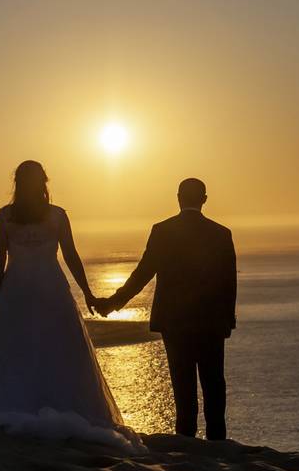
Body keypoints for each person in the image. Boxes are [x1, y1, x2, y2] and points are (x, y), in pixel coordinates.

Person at [0, 160, 142, 450]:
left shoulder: (6, 216)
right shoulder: (56, 216)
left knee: (14, 349)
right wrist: (88, 292)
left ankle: (14, 400)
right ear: (43, 183)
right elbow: (70, 256)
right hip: (51, 288)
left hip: (18, 289)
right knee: (58, 348)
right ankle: (60, 404)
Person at [96, 178, 236, 440]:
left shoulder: (163, 231)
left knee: (182, 387)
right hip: (210, 323)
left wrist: (112, 304)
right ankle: (218, 444)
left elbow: (142, 274)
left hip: (175, 322)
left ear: (178, 197)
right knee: (214, 385)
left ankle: (186, 441)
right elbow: (229, 281)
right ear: (204, 199)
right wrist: (228, 320)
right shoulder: (221, 234)